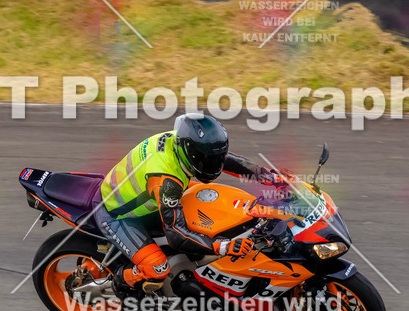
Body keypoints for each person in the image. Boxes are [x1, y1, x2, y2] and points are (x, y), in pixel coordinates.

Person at [95, 113, 280, 293]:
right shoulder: (167, 180)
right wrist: (222, 246)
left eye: (216, 159)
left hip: (147, 196)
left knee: (211, 199)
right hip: (116, 214)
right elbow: (176, 235)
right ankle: (120, 281)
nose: (215, 166)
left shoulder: (183, 141)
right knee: (157, 268)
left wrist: (271, 177)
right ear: (191, 154)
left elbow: (226, 160)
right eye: (208, 161)